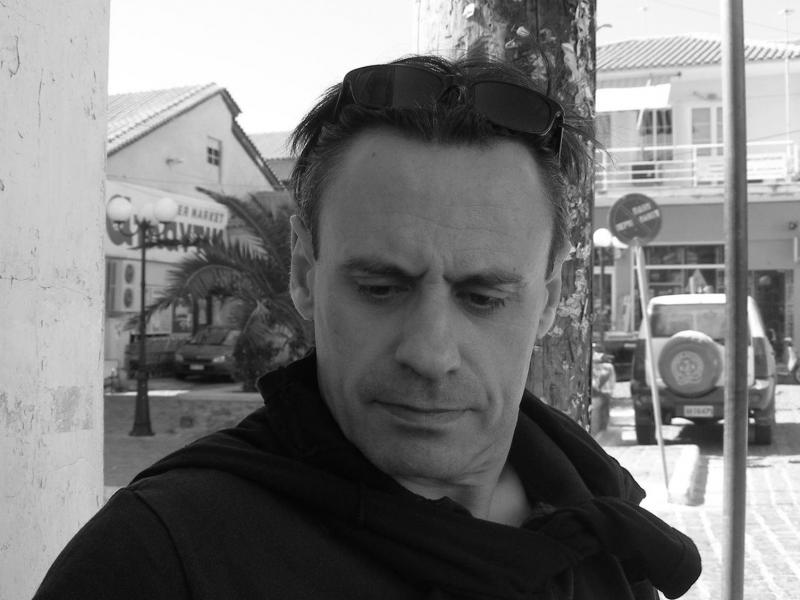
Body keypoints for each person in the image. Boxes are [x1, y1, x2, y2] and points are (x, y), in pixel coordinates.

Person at [35, 55, 700, 599]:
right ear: (304, 273)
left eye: (483, 297)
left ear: (549, 299)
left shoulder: (605, 524)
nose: (430, 354)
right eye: (381, 289)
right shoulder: (156, 560)